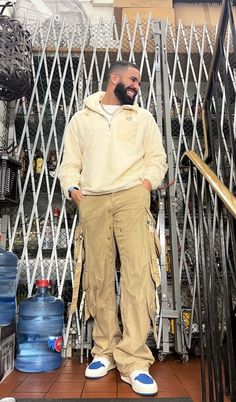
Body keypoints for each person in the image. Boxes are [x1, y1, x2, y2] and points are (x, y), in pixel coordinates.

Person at [58, 60, 167, 396]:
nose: (136, 85)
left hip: (131, 198)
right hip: (93, 200)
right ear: (114, 79)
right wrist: (74, 192)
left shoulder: (143, 118)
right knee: (99, 277)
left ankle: (134, 360)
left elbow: (157, 158)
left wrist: (145, 186)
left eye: (139, 82)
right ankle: (104, 350)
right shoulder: (81, 119)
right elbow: (69, 163)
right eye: (132, 79)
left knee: (137, 276)